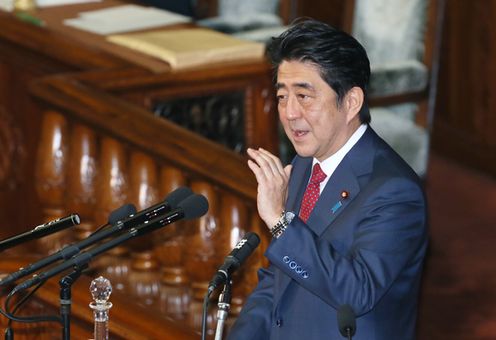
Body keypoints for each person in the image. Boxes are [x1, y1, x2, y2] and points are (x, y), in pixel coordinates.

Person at [227, 19, 428, 340]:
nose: (290, 112)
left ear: (351, 102)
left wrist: (280, 222)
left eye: (304, 96)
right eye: (282, 97)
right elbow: (278, 280)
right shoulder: (305, 164)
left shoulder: (395, 192)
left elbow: (357, 292)